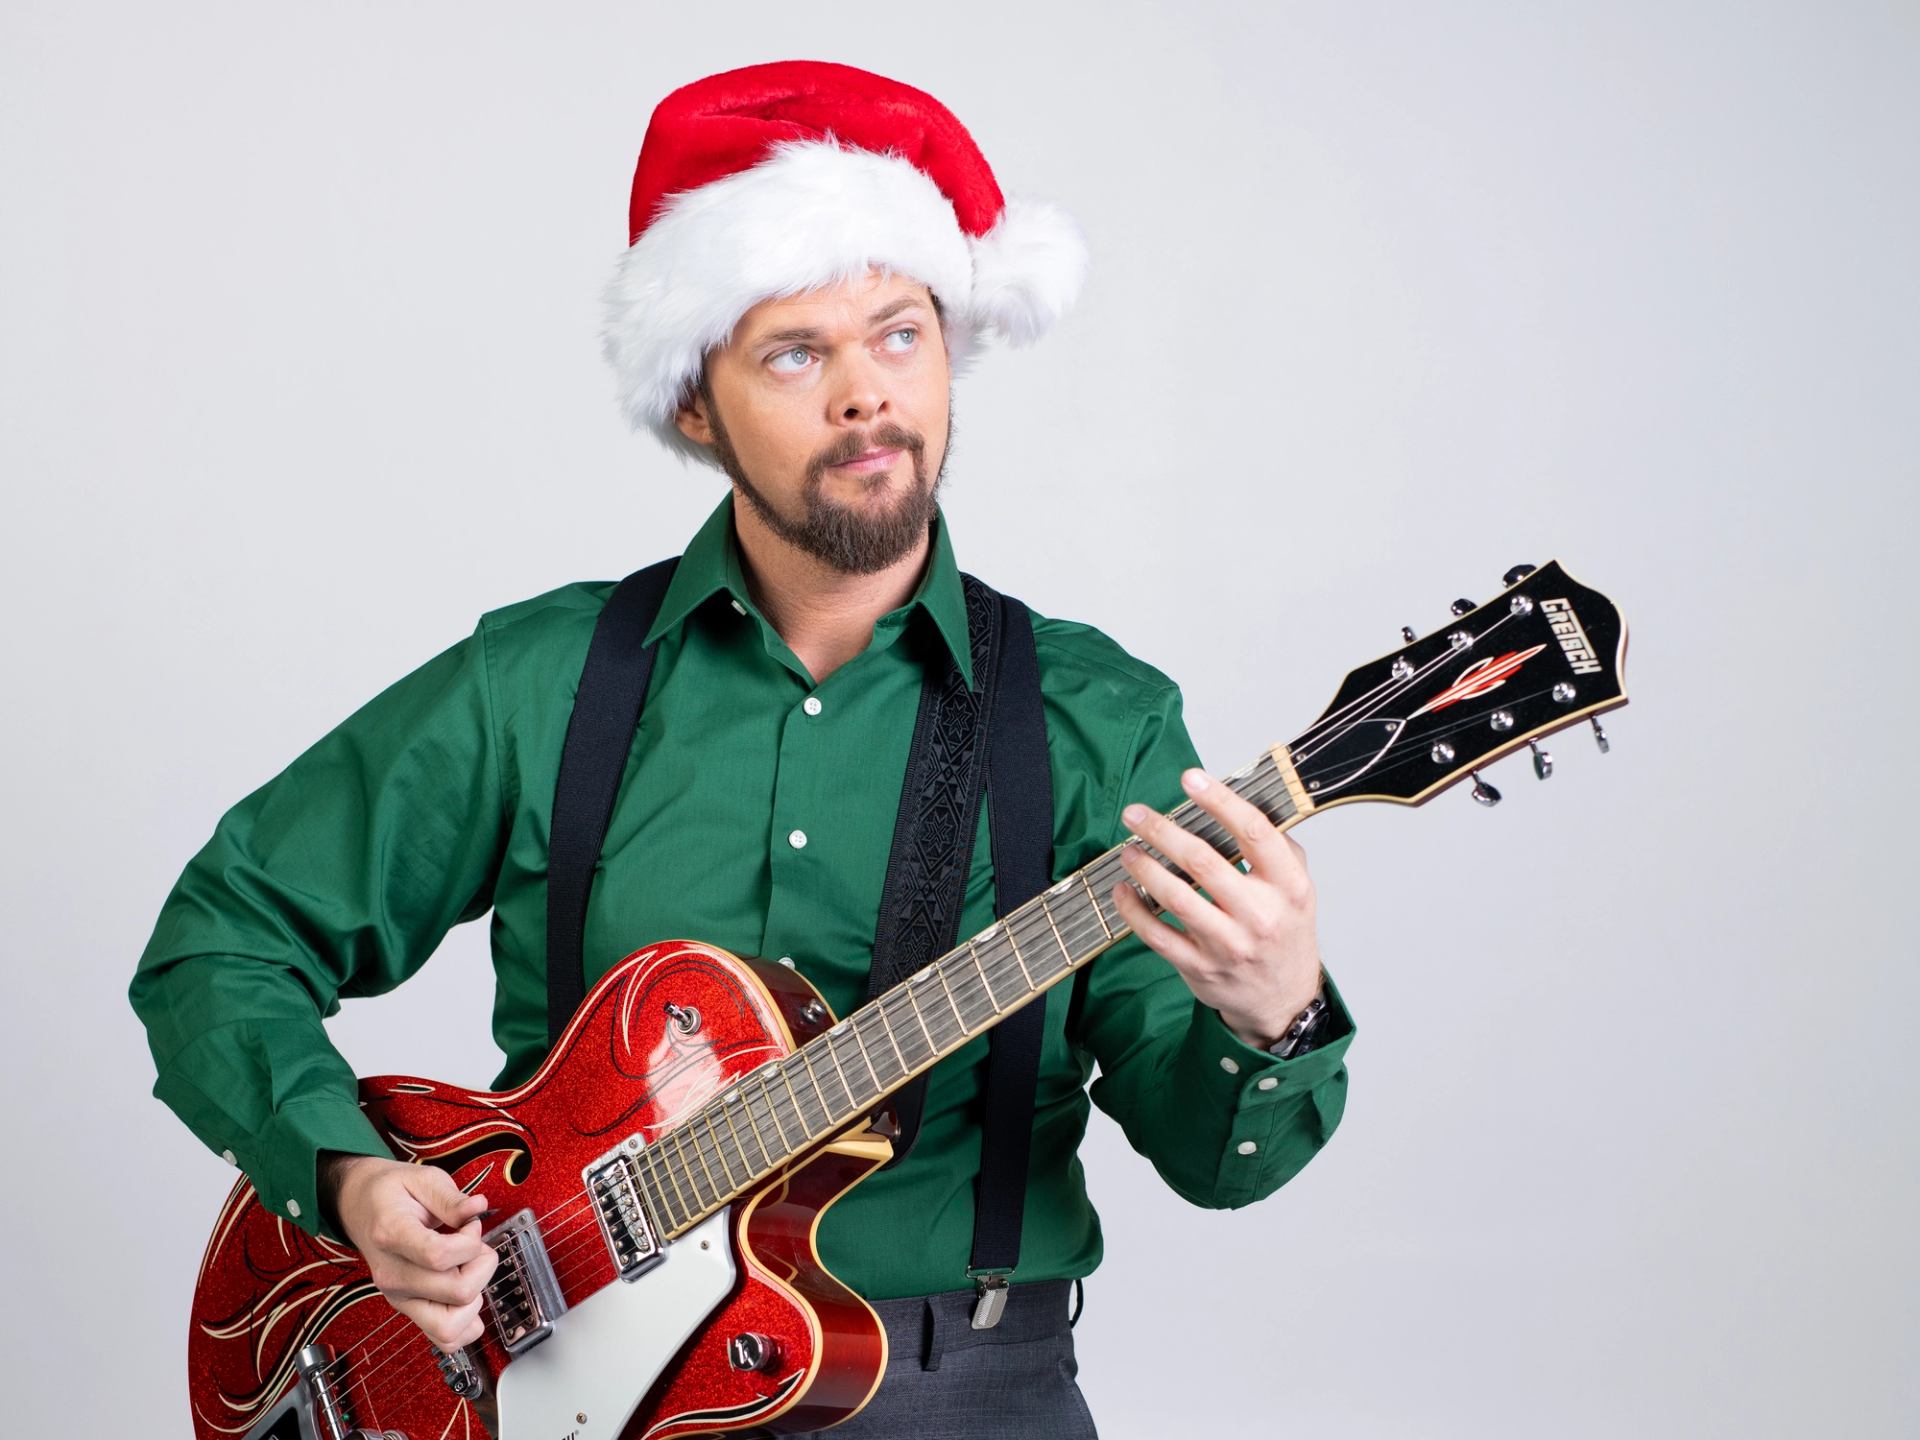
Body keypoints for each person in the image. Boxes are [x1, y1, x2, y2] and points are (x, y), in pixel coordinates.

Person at [130, 59, 1356, 1438]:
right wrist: (349, 1177)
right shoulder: (542, 685)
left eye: (900, 334)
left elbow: (1218, 1160)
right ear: (695, 404)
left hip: (964, 1397)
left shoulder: (1089, 720)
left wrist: (1276, 1012)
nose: (863, 397)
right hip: (547, 1384)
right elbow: (219, 936)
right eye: (795, 352)